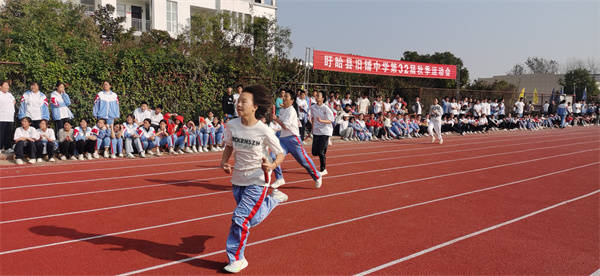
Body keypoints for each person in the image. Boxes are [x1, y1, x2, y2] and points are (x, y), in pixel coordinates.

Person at [220, 85, 287, 273]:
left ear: (255, 107)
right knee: (251, 218)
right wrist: (224, 162)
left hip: (259, 180)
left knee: (240, 218)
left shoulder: (263, 130)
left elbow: (280, 153)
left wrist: (272, 166)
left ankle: (237, 258)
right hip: (238, 179)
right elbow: (228, 146)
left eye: (243, 101)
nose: (238, 104)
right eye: (238, 101)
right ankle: (273, 200)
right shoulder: (232, 125)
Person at [271, 90, 322, 189]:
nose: (284, 98)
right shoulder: (282, 109)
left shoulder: (291, 111)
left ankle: (317, 175)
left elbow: (285, 126)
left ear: (292, 101)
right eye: (284, 97)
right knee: (273, 156)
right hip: (282, 139)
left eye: (286, 97)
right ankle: (279, 178)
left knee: (304, 161)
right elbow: (280, 126)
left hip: (293, 140)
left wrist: (276, 119)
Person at [310, 91, 335, 176]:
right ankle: (324, 146)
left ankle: (323, 169)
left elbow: (331, 120)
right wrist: (312, 129)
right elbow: (312, 118)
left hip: (325, 131)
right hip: (316, 131)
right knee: (314, 152)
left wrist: (321, 121)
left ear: (323, 98)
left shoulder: (326, 108)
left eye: (318, 96)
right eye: (316, 95)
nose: (316, 97)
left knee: (321, 152)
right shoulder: (313, 107)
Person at [0, 80, 16, 153]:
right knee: (1, 133)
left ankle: (7, 147)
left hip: (9, 117)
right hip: (1, 117)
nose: (8, 87)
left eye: (8, 85)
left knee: (8, 133)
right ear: (0, 87)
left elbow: (14, 101)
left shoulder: (9, 94)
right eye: (6, 85)